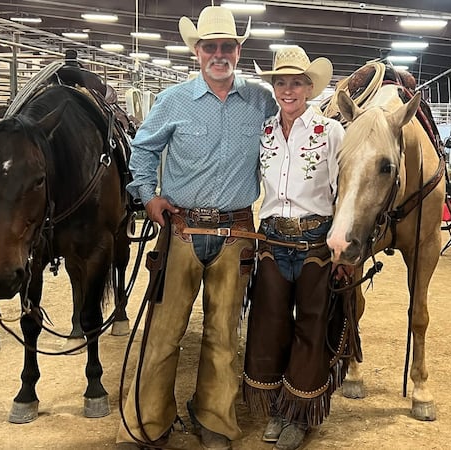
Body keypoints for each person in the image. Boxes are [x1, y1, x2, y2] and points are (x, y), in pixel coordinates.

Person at [116, 5, 277, 450]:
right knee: (163, 332)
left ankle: (215, 421)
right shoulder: (173, 100)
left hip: (235, 234)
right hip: (181, 230)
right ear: (197, 51)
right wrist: (148, 196)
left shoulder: (262, 100)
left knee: (223, 335)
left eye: (227, 46)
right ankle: (150, 421)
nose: (219, 54)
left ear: (239, 51)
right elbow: (143, 151)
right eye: (211, 47)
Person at [242, 46, 352, 450]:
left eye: (296, 83)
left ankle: (299, 413)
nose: (288, 90)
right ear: (274, 87)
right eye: (281, 82)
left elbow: (344, 194)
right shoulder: (266, 131)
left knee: (311, 324)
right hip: (272, 238)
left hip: (315, 242)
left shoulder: (331, 132)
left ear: (310, 87)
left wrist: (344, 250)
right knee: (269, 322)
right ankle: (277, 405)